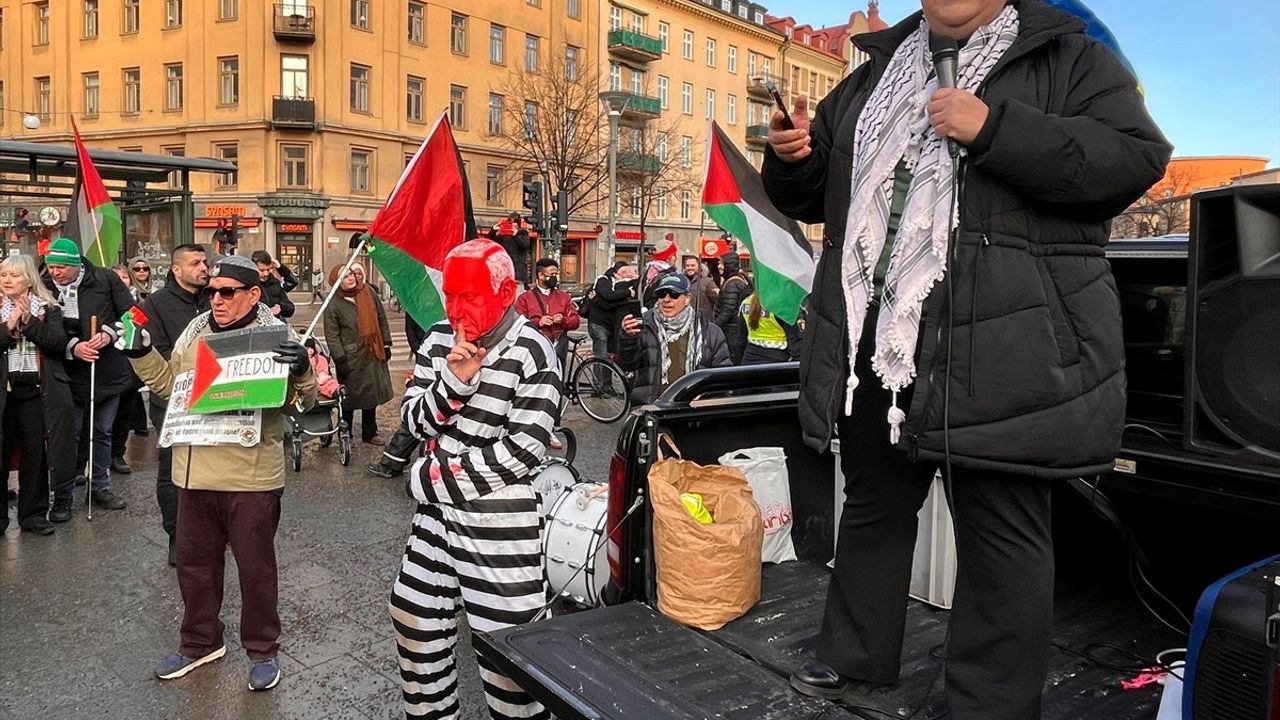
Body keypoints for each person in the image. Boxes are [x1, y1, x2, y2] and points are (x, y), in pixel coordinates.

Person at [761, 1, 1171, 718]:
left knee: (1001, 528)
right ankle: (857, 659)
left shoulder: (1068, 57)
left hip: (1004, 337)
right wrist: (793, 158)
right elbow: (814, 192)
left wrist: (995, 129)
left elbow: (1134, 160)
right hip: (881, 334)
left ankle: (989, 704)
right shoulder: (873, 74)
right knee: (875, 500)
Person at [119, 254, 316, 691]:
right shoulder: (194, 334)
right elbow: (172, 386)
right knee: (195, 568)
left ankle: (263, 650)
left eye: (227, 292)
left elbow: (301, 406)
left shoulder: (276, 337)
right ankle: (200, 642)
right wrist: (140, 353)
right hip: (195, 475)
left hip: (250, 479)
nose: (217, 299)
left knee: (256, 571)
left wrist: (302, 370)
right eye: (212, 291)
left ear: (253, 294)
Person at [391, 237, 561, 720]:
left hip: (500, 521)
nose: (456, 307)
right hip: (440, 518)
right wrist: (454, 384)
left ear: (506, 291)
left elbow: (521, 452)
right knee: (415, 617)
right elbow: (415, 421)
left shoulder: (534, 351)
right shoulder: (440, 337)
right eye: (451, 295)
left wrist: (426, 478)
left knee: (508, 650)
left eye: (469, 295)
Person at [42, 237, 136, 520]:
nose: (55, 273)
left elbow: (133, 313)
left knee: (102, 432)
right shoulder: (43, 284)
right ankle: (63, 494)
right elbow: (40, 328)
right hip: (65, 372)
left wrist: (109, 333)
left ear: (76, 265)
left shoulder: (104, 279)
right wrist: (73, 347)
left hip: (105, 370)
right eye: (51, 266)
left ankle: (100, 486)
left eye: (60, 267)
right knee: (68, 435)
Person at [139, 243, 209, 566]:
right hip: (172, 400)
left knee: (207, 467)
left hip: (213, 399)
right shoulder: (156, 304)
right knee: (172, 472)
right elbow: (159, 352)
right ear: (177, 270)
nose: (204, 267)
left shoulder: (214, 298)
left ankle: (206, 532)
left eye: (205, 261)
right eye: (196, 263)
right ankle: (176, 537)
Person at [0, 255, 76, 536]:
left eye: (14, 275)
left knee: (36, 454)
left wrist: (29, 322)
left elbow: (57, 344)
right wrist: (8, 327)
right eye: (4, 275)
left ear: (29, 279)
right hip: (4, 390)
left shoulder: (49, 307)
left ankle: (32, 515)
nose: (7, 280)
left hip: (35, 390)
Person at [619, 273, 731, 404]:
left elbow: (723, 375)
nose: (666, 299)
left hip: (693, 411)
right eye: (661, 294)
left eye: (674, 294)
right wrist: (628, 339)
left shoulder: (710, 331)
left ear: (687, 298)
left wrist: (706, 395)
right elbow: (628, 365)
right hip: (652, 408)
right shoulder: (644, 326)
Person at [323, 263, 392, 445]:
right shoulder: (334, 303)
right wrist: (340, 359)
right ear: (337, 282)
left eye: (351, 274)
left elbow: (381, 318)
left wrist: (386, 343)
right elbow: (332, 334)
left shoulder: (368, 292)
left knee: (371, 396)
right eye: (345, 277)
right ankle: (345, 432)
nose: (351, 278)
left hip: (372, 353)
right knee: (349, 398)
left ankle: (370, 432)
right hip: (351, 357)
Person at [367, 314, 427, 480]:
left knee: (419, 416)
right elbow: (410, 328)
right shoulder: (418, 300)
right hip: (431, 355)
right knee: (419, 414)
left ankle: (391, 463)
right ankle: (392, 462)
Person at [515, 258, 581, 364]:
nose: (555, 277)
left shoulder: (564, 297)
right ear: (541, 275)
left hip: (558, 345)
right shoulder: (525, 298)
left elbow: (575, 321)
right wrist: (538, 322)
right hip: (534, 346)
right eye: (552, 274)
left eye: (556, 274)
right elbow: (517, 323)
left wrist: (563, 320)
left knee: (558, 376)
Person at [738, 292, 803, 365]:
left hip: (748, 361)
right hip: (776, 364)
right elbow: (797, 348)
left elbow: (740, 342)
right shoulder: (785, 305)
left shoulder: (746, 302)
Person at [713, 251, 752, 365]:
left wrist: (715, 325)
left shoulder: (732, 283)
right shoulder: (736, 280)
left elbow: (728, 309)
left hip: (731, 331)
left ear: (729, 265)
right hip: (733, 329)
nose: (719, 266)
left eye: (722, 263)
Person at [491, 211, 532, 287]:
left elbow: (525, 246)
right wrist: (493, 230)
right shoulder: (503, 234)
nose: (512, 225)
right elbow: (492, 243)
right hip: (504, 272)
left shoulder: (522, 233)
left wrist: (516, 235)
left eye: (514, 223)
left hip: (518, 272)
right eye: (510, 223)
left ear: (518, 224)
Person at [251, 251, 295, 320]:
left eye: (268, 269)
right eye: (262, 270)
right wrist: (266, 313)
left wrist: (281, 307)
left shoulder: (275, 283)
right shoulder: (247, 286)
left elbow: (290, 308)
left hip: (276, 326)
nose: (266, 274)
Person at [684, 256, 719, 321]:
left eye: (693, 265)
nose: (690, 268)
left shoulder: (707, 281)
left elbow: (717, 300)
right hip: (685, 320)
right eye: (687, 265)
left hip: (703, 320)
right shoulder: (681, 281)